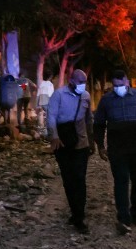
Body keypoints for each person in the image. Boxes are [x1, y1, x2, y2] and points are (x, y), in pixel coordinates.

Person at [93, 70, 136, 235]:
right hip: (117, 148)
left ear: (127, 82)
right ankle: (124, 218)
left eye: (120, 85)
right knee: (121, 181)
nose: (118, 89)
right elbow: (99, 123)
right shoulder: (107, 100)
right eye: (115, 86)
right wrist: (100, 145)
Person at [45, 70, 94, 233]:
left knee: (79, 178)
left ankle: (79, 216)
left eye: (84, 81)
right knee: (68, 179)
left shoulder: (86, 96)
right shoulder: (58, 95)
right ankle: (75, 211)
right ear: (70, 80)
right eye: (79, 81)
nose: (82, 84)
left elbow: (88, 119)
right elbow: (51, 116)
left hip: (81, 142)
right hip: (63, 142)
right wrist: (54, 137)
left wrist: (91, 140)